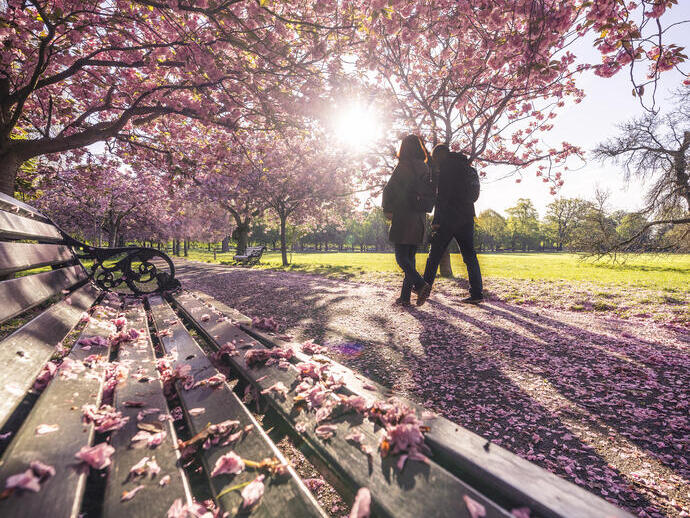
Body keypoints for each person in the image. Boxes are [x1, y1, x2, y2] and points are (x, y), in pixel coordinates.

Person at [418, 144, 483, 305]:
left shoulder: (446, 169)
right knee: (470, 256)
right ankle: (477, 293)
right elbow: (474, 196)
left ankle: (424, 288)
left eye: (435, 159)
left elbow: (442, 197)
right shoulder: (468, 167)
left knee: (434, 255)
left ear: (440, 156)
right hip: (467, 216)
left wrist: (436, 221)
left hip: (448, 218)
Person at [382, 135, 434, 307]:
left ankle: (420, 285)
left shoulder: (403, 166)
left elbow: (390, 189)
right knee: (409, 258)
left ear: (404, 148)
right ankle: (405, 297)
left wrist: (387, 209)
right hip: (419, 217)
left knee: (401, 258)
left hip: (404, 216)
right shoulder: (425, 167)